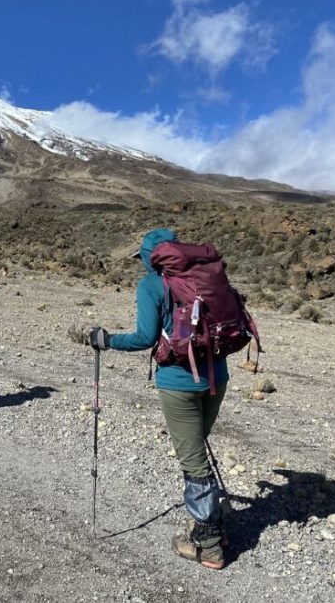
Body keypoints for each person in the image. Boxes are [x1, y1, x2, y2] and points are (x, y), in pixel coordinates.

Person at [89, 228, 228, 570]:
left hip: (179, 383)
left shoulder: (152, 285)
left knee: (193, 460)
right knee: (197, 449)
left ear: (152, 259)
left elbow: (144, 337)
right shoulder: (205, 277)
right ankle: (209, 523)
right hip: (217, 377)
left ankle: (208, 543)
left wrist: (106, 340)